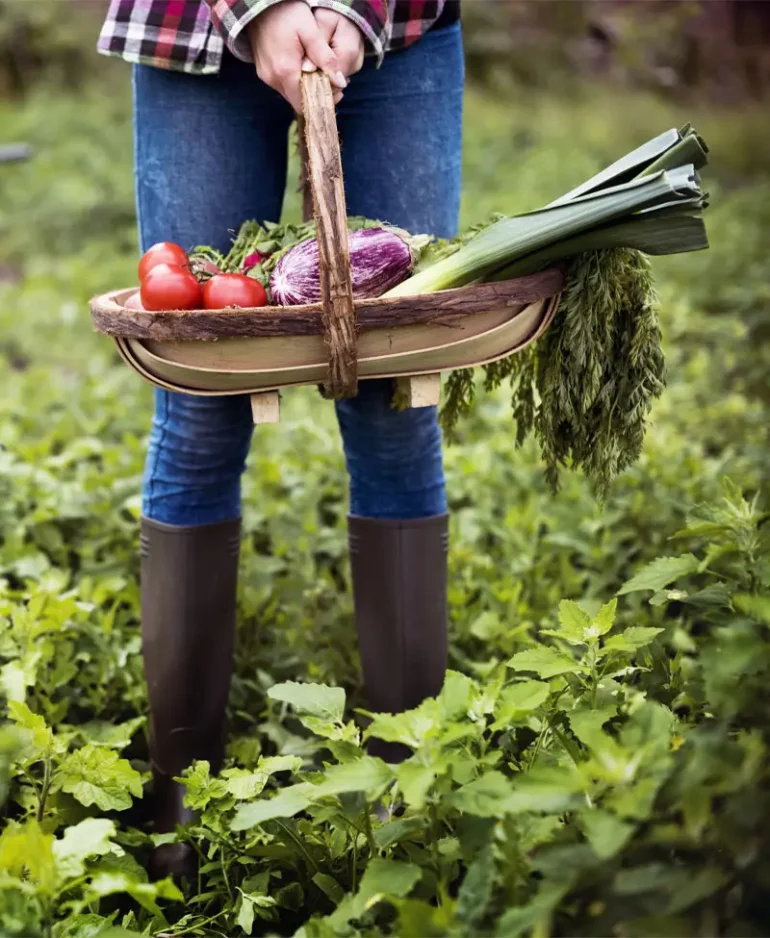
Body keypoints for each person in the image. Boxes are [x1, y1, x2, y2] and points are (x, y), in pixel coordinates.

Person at [97, 0, 463, 880]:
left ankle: (414, 798)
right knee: (201, 397)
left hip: (396, 31)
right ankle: (181, 817)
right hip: (195, 32)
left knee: (394, 395)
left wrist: (350, 10)